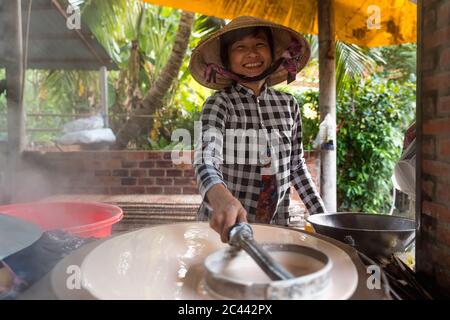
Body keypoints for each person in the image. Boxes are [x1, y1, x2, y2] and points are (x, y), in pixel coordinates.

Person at [189, 16, 326, 243]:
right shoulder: (220, 104)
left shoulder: (288, 104)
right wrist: (221, 197)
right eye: (240, 47)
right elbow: (206, 158)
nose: (251, 54)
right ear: (226, 59)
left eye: (260, 45)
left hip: (276, 227)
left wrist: (322, 217)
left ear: (273, 54)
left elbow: (296, 166)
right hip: (225, 229)